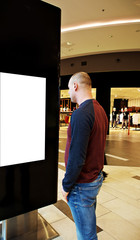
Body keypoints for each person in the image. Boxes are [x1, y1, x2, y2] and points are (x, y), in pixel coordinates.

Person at [62, 72, 108, 240]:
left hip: (82, 185)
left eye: (68, 88)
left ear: (75, 86)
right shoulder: (100, 109)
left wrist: (66, 186)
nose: (68, 93)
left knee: (86, 235)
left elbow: (77, 158)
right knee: (88, 228)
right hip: (94, 179)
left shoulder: (81, 114)